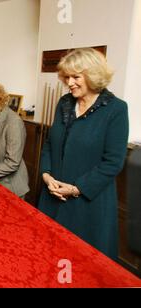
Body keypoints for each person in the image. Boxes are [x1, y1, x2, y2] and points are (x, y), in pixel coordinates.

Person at [38, 48, 129, 260]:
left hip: (87, 204)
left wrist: (77, 189)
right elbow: (50, 145)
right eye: (66, 77)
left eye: (76, 77)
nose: (69, 83)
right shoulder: (64, 103)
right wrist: (46, 175)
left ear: (93, 75)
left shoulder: (115, 109)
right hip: (53, 197)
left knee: (83, 265)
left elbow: (113, 163)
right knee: (48, 258)